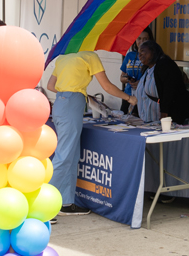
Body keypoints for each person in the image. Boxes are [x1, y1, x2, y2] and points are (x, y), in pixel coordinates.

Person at [47, 50, 137, 215]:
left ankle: (66, 202)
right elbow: (107, 86)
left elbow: (50, 86)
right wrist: (129, 98)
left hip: (60, 103)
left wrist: (75, 91)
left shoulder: (64, 57)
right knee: (65, 155)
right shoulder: (90, 56)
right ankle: (43, 206)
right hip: (72, 104)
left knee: (72, 155)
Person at [138, 40, 189, 124]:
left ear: (153, 51)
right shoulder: (147, 68)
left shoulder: (165, 65)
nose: (140, 55)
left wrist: (164, 113)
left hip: (167, 118)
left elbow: (169, 90)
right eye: (139, 53)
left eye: (143, 52)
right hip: (148, 119)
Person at [119, 28, 152, 111]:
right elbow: (121, 78)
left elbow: (155, 80)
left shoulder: (151, 57)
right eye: (139, 39)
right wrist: (128, 79)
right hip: (128, 96)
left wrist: (141, 84)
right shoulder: (130, 55)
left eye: (145, 39)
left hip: (144, 97)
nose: (142, 42)